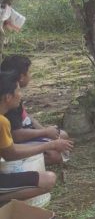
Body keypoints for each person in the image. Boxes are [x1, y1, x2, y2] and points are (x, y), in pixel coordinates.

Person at [0, 72, 72, 203]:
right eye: (18, 91)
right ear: (8, 97)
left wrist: (47, 144)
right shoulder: (2, 122)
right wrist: (50, 145)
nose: (20, 95)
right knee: (48, 179)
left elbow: (9, 149)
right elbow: (11, 155)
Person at [0, 56, 69, 165]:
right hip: (16, 144)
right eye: (29, 72)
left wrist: (46, 132)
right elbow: (12, 148)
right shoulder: (5, 114)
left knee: (62, 135)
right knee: (54, 155)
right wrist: (46, 137)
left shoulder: (11, 99)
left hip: (18, 141)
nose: (20, 95)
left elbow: (26, 116)